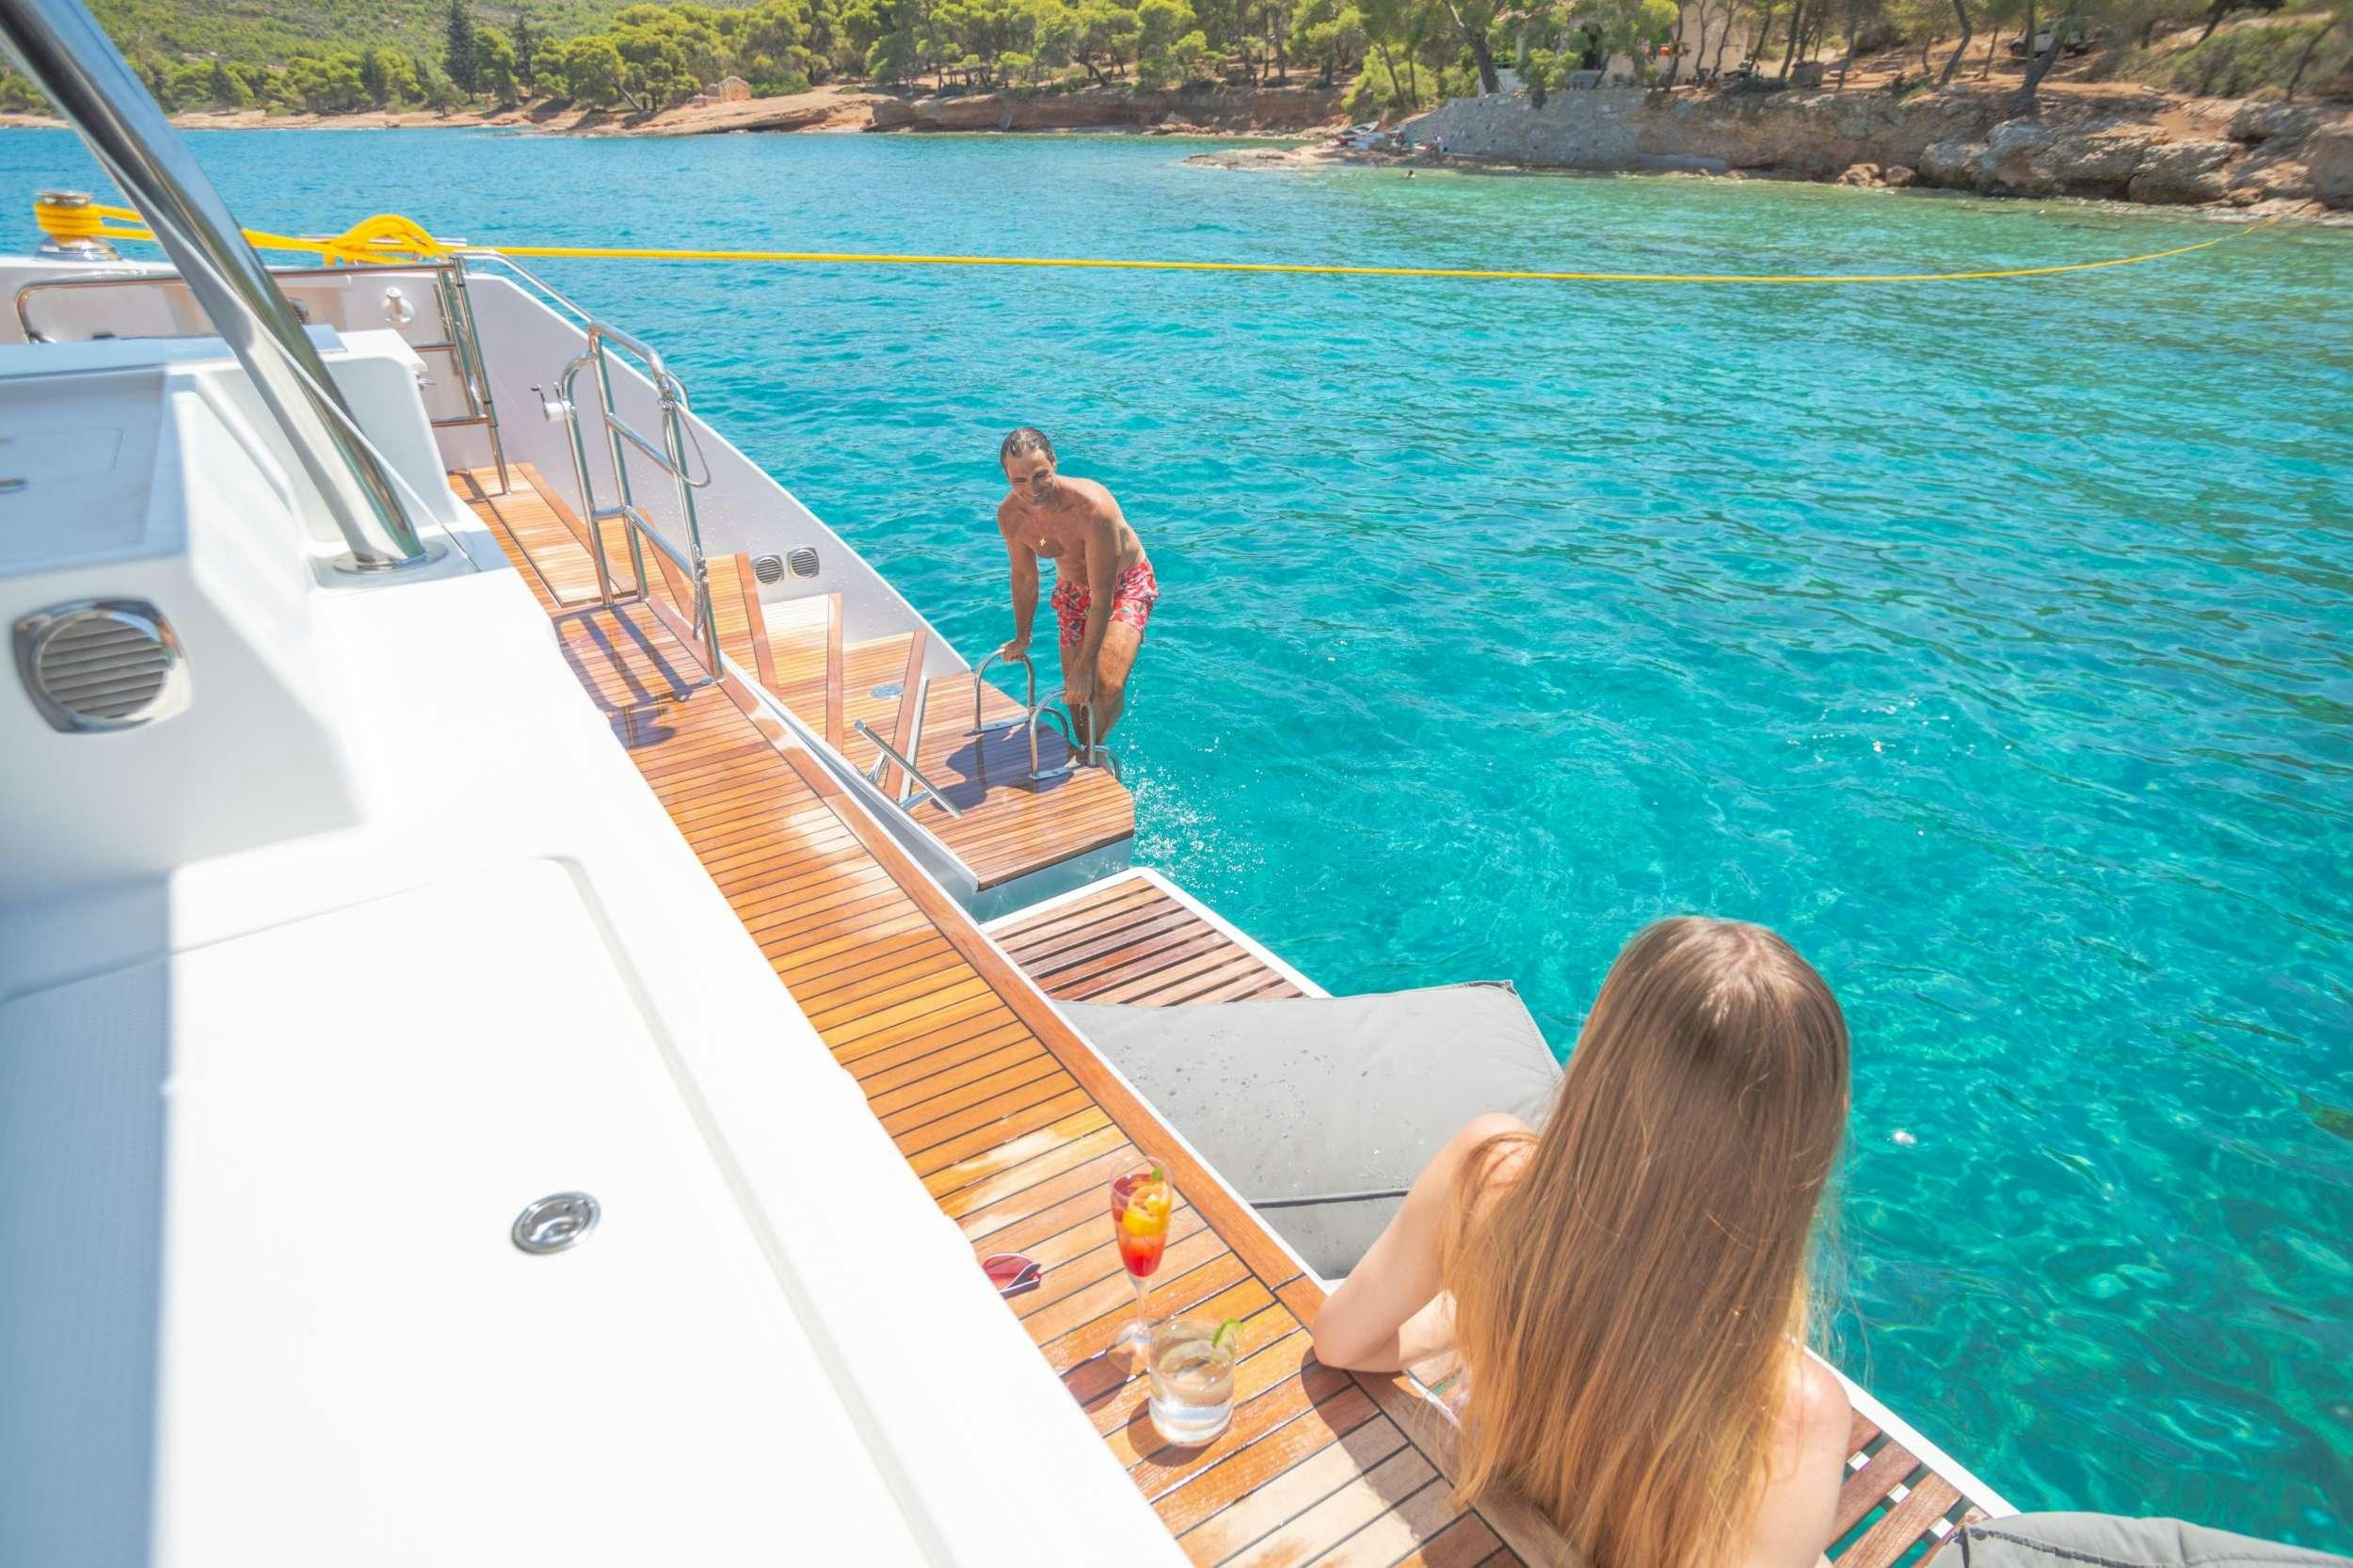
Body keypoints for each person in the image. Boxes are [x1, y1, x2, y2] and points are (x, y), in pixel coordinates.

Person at [1311, 917, 1855, 1568]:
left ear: (1605, 1059)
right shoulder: (1793, 1410)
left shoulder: (1488, 1177)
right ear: (1807, 1140)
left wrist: (1492, 1300)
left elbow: (1342, 1340)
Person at [993, 427, 1157, 750]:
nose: (1032, 489)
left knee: (1105, 685)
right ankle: (1090, 755)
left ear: (1054, 462)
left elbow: (1102, 597)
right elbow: (1025, 577)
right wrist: (1023, 636)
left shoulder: (1093, 509)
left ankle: (1097, 745)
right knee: (1076, 701)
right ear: (1007, 477)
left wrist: (1085, 666)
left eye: (1040, 475)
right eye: (1019, 481)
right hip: (1072, 591)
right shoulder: (1011, 516)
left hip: (1122, 586)